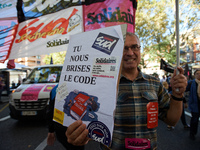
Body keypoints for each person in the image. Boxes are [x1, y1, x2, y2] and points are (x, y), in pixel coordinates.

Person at [65, 32, 187, 150]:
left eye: (134, 47)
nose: (130, 53)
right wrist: (81, 135)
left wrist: (177, 94)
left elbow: (172, 120)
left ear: (139, 50)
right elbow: (93, 125)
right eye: (124, 48)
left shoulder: (154, 83)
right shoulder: (103, 84)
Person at [46, 84, 84, 150]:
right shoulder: (81, 86)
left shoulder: (56, 88)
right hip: (76, 128)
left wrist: (51, 131)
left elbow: (50, 111)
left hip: (61, 129)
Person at [186, 69, 200, 141]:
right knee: (194, 120)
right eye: (197, 73)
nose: (199, 75)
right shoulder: (191, 83)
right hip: (195, 105)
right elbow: (184, 89)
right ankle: (192, 133)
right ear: (194, 75)